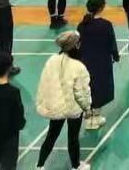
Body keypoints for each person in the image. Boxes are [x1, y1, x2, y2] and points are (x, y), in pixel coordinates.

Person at [33, 30, 92, 170]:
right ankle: (76, 166)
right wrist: (87, 108)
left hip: (56, 106)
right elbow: (81, 92)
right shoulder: (79, 67)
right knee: (73, 138)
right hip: (73, 109)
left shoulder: (51, 60)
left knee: (51, 136)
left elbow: (45, 83)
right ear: (76, 45)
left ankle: (39, 165)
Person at [76, 0, 118, 130]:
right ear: (101, 8)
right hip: (102, 61)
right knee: (100, 89)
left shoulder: (82, 25)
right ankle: (95, 118)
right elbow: (111, 42)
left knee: (88, 88)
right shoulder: (106, 25)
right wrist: (115, 56)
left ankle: (89, 118)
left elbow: (77, 44)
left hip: (85, 61)